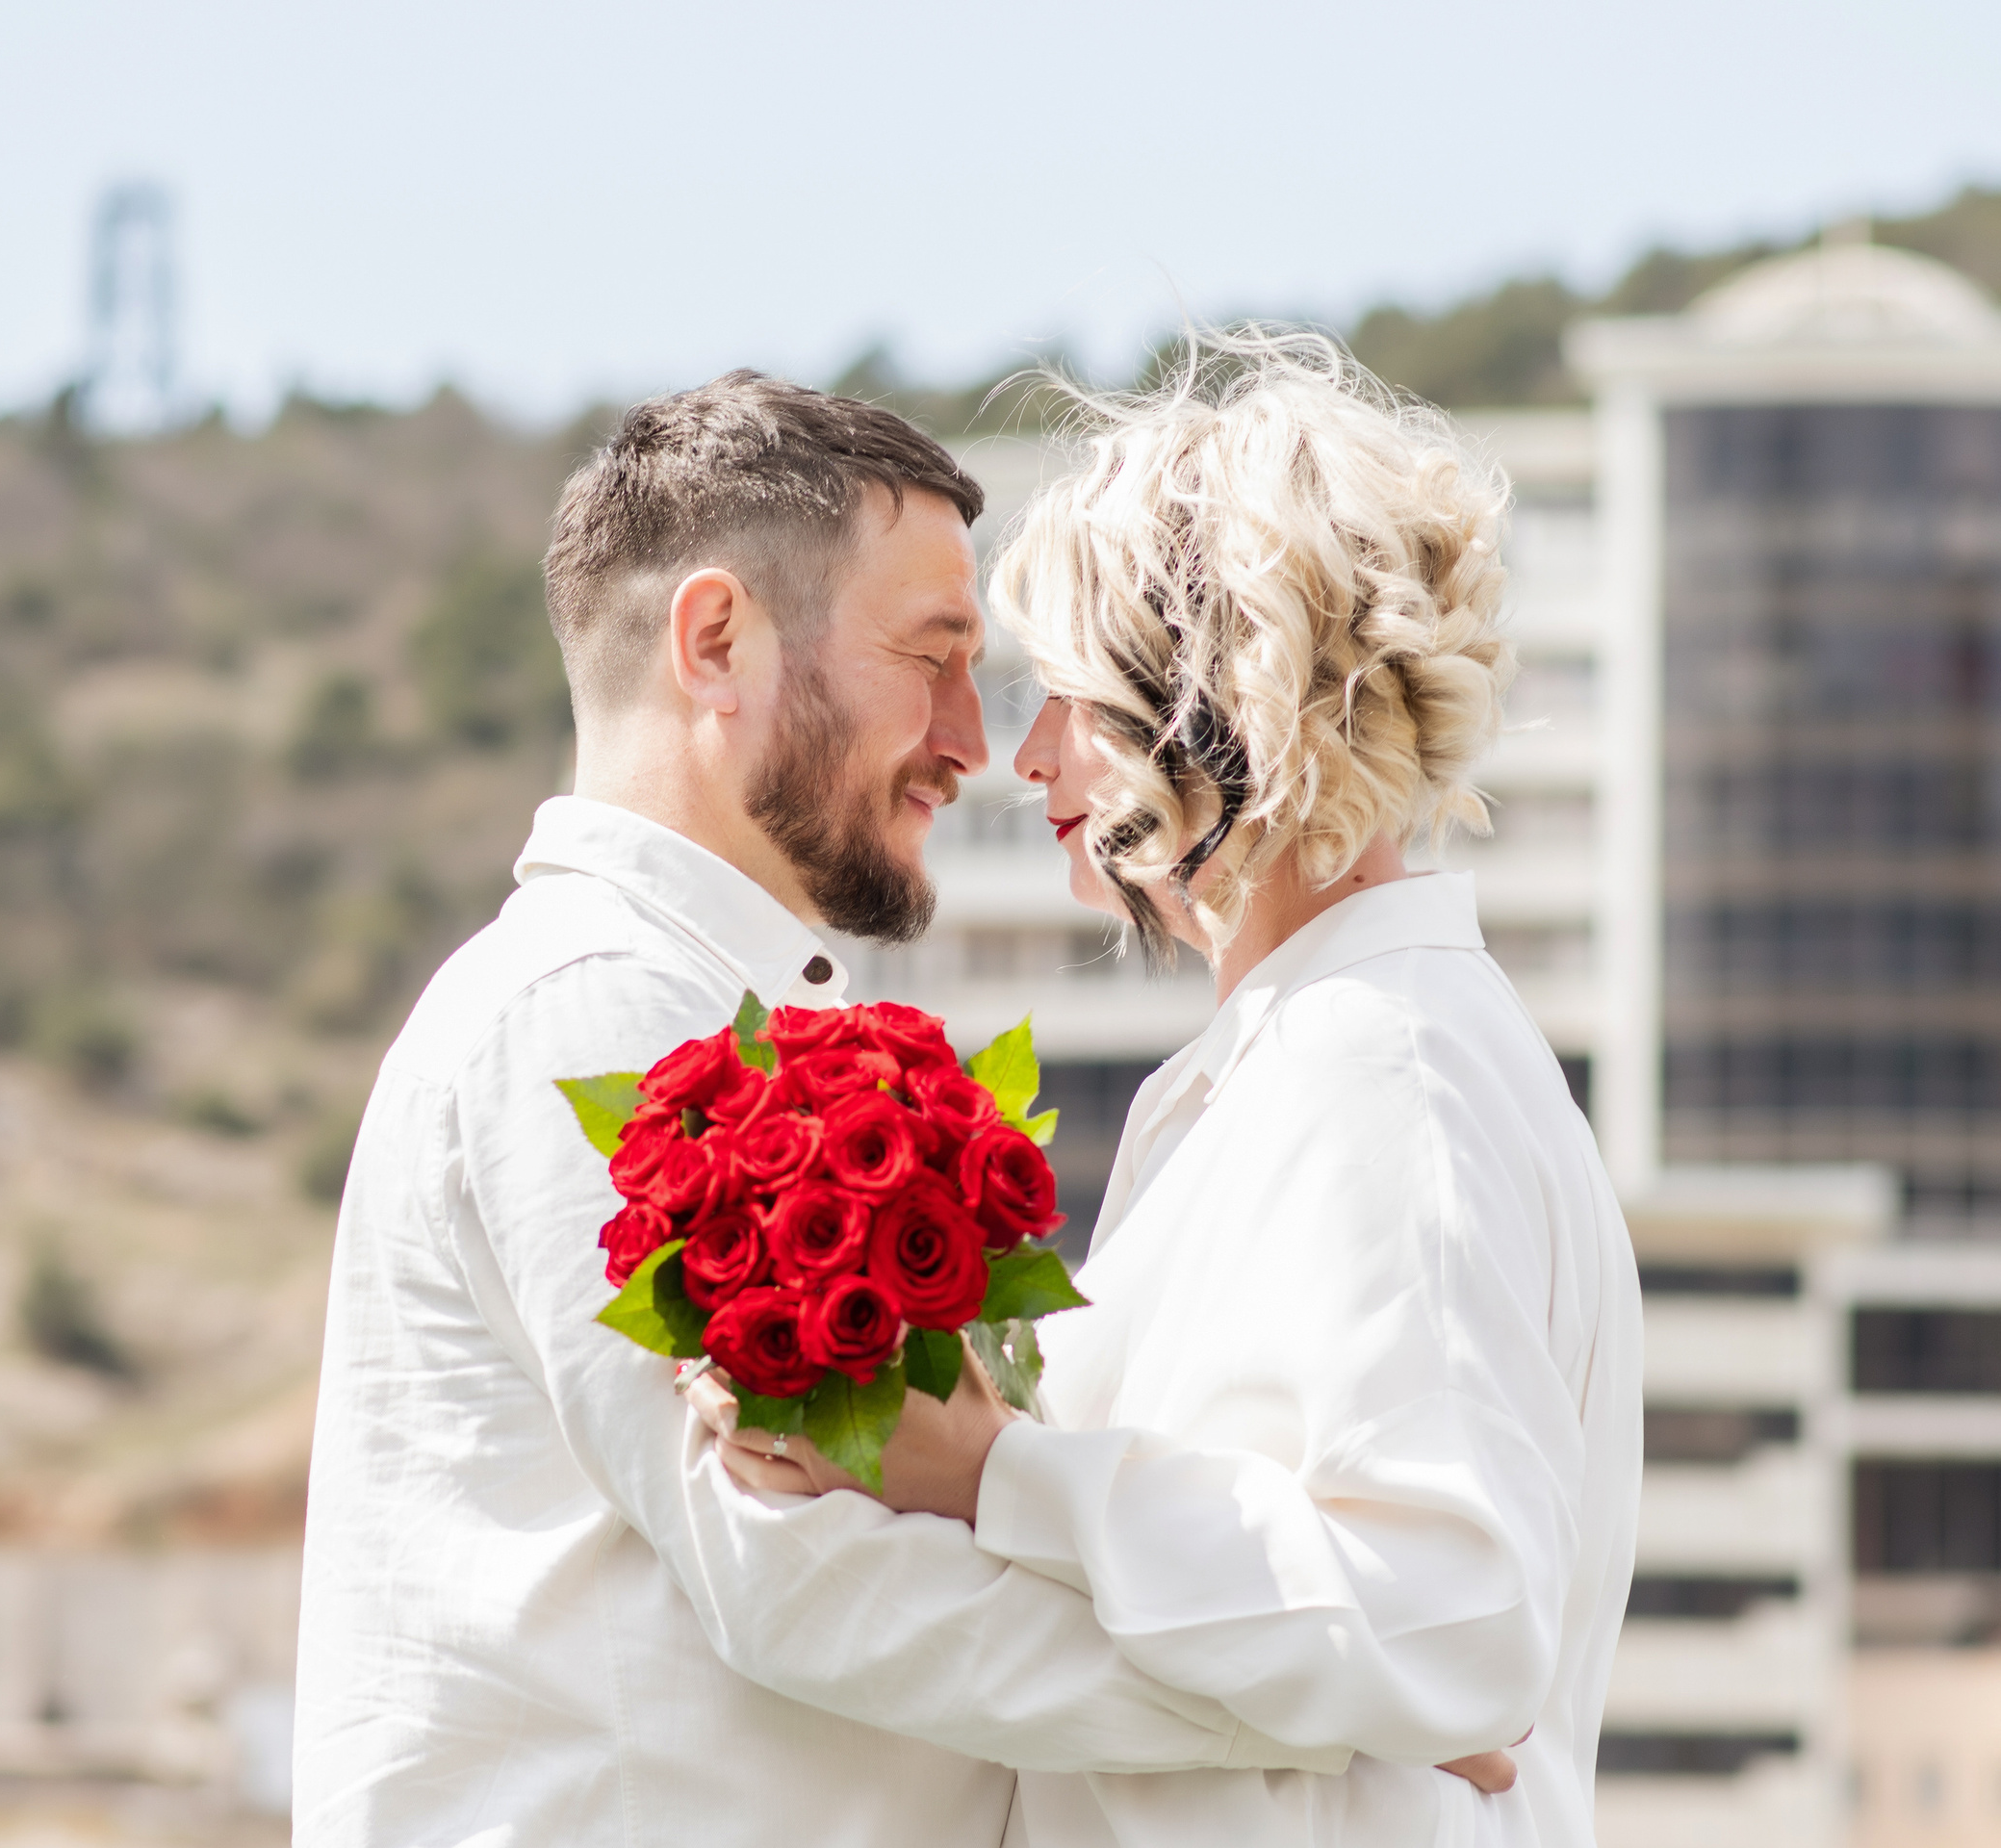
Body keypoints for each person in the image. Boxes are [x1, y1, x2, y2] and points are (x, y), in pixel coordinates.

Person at [291, 371, 1516, 1846]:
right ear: (717, 640)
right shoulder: (590, 1013)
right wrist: (1346, 1729)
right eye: (932, 656)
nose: (971, 739)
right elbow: (805, 1572)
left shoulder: (727, 1027)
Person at [715, 335, 1642, 1847]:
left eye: (1069, 698)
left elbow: (1454, 1626)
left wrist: (998, 1473)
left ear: (1215, 700)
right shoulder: (1309, 1060)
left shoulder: (1381, 1069)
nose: (1024, 757)